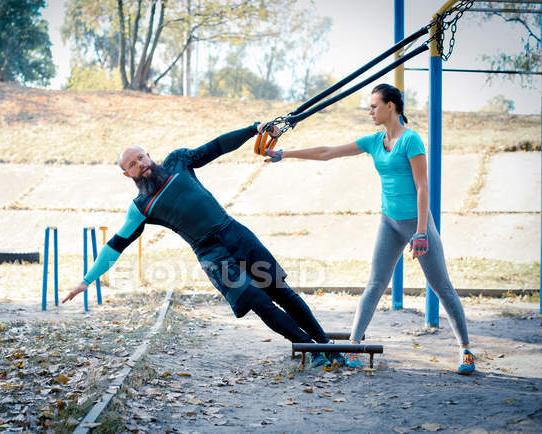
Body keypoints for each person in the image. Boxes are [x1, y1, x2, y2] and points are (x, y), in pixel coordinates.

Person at [62, 122, 340, 368]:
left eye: (141, 157)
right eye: (133, 164)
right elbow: (115, 245)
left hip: (235, 234)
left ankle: (325, 344)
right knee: (257, 300)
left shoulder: (178, 162)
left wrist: (253, 129)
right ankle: (311, 349)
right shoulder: (141, 207)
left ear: (148, 154)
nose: (140, 164)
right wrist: (87, 280)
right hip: (212, 256)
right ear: (127, 174)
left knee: (281, 291)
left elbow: (217, 146)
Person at [265, 83, 475, 375]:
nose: (370, 111)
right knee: (375, 284)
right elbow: (328, 152)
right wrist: (284, 154)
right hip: (389, 222)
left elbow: (422, 185)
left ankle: (465, 350)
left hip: (417, 225)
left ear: (391, 106)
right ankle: (353, 346)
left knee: (442, 288)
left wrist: (422, 231)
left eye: (374, 106)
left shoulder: (411, 140)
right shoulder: (375, 141)